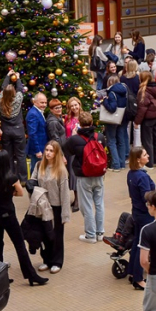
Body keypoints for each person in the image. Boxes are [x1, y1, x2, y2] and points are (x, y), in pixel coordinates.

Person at [0, 150, 48, 285]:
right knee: (19, 245)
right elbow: (20, 192)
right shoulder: (11, 178)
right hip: (8, 214)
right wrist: (9, 193)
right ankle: (31, 275)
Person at [63, 111, 107, 243]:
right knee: (99, 204)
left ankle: (90, 234)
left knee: (86, 205)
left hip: (84, 175)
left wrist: (75, 134)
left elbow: (67, 151)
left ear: (79, 124)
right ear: (92, 122)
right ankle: (100, 232)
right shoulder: (99, 136)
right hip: (99, 174)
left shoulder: (75, 139)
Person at [30, 140, 70, 274]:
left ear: (56, 153)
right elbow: (33, 180)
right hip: (43, 206)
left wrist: (65, 214)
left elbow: (65, 194)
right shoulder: (39, 165)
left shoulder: (61, 171)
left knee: (57, 235)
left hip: (56, 206)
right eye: (47, 150)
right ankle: (46, 260)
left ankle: (57, 261)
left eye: (51, 151)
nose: (48, 153)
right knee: (44, 234)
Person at [124, 147, 156, 290]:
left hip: (136, 212)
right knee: (142, 246)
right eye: (145, 154)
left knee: (137, 243)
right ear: (138, 159)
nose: (148, 155)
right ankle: (138, 279)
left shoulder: (131, 174)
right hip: (144, 215)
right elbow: (147, 197)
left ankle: (132, 271)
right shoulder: (142, 177)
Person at [0, 70, 28, 183]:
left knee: (8, 155)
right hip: (18, 131)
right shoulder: (18, 99)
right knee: (21, 155)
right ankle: (23, 179)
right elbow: (20, 89)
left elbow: (3, 88)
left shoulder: (1, 101)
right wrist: (18, 78)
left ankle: (9, 178)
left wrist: (7, 76)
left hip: (6, 131)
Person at [135, 71, 156, 169]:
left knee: (147, 141)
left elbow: (142, 108)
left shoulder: (143, 91)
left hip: (147, 118)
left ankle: (149, 163)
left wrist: (137, 121)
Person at [102, 75, 129, 171]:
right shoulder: (124, 90)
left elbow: (112, 108)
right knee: (121, 140)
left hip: (112, 120)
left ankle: (116, 164)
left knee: (112, 141)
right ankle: (122, 163)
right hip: (122, 118)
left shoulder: (112, 93)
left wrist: (105, 100)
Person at [65, 97, 82, 210]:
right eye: (72, 106)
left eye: (76, 105)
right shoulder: (67, 118)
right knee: (71, 174)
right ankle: (75, 197)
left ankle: (78, 200)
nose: (74, 107)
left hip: (79, 149)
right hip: (69, 149)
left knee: (76, 174)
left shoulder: (83, 117)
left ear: (79, 105)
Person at [26, 92, 49, 174]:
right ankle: (33, 186)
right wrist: (37, 150)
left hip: (42, 148)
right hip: (38, 150)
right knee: (36, 171)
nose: (44, 105)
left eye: (45, 102)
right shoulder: (33, 114)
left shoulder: (38, 112)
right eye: (42, 102)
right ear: (35, 102)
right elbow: (32, 133)